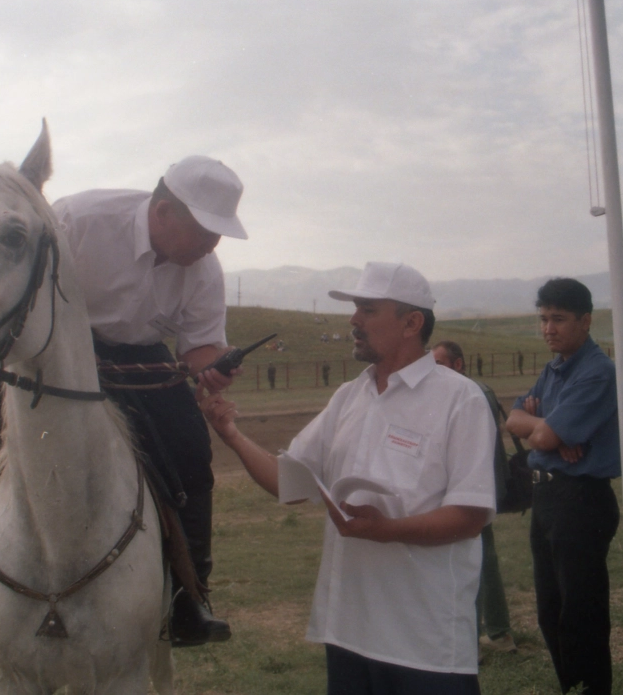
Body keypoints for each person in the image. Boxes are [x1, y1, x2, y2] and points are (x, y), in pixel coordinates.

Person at [0, 155, 246, 648]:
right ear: (163, 211)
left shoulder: (204, 268)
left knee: (189, 447)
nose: (212, 243)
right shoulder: (79, 221)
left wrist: (216, 365)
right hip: (56, 346)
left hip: (140, 358)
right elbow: (21, 283)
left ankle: (189, 595)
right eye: (205, 229)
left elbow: (199, 348)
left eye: (218, 233)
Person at [200, 262, 495, 694]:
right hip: (348, 633)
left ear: (412, 322)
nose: (353, 320)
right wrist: (232, 435)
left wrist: (388, 531)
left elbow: (470, 515)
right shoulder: (349, 396)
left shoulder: (459, 399)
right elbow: (291, 483)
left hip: (425, 643)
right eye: (356, 308)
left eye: (368, 309)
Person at [506, 278, 620, 695]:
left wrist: (547, 429)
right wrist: (550, 429)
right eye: (543, 319)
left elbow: (540, 437)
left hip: (582, 499)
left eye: (558, 319)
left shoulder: (598, 372)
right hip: (548, 496)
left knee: (581, 609)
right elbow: (514, 421)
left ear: (585, 321)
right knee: (550, 607)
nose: (548, 328)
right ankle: (572, 683)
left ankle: (595, 687)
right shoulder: (554, 369)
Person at [431, 339, 517, 658]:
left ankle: (476, 638)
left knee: (473, 562)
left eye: (439, 364)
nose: (433, 371)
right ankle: (497, 631)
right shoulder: (479, 389)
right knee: (484, 560)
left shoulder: (468, 393)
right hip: (482, 488)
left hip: (474, 492)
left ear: (458, 364)